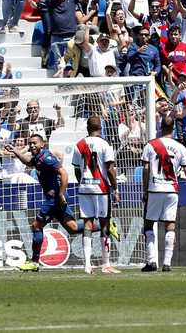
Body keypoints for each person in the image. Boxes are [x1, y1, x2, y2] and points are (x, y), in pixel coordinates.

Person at [5, 135, 101, 272]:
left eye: (35, 143)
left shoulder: (48, 159)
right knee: (72, 228)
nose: (32, 146)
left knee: (36, 225)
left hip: (54, 197)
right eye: (30, 143)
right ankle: (106, 227)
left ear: (42, 144)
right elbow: (28, 162)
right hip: (56, 196)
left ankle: (34, 262)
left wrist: (61, 194)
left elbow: (64, 174)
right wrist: (15, 151)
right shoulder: (38, 159)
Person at [141, 116, 186, 272]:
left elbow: (146, 169)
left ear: (160, 127)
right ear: (174, 128)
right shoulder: (180, 147)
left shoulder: (150, 145)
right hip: (172, 190)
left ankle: (152, 261)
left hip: (155, 189)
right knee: (170, 225)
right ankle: (167, 263)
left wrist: (145, 190)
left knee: (148, 224)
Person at [72, 116, 121, 274]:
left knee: (87, 223)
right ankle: (105, 264)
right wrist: (116, 189)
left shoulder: (79, 145)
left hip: (85, 188)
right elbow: (111, 170)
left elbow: (77, 169)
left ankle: (87, 265)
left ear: (87, 128)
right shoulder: (105, 144)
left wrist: (83, 181)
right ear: (100, 128)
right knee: (105, 224)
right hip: (101, 189)